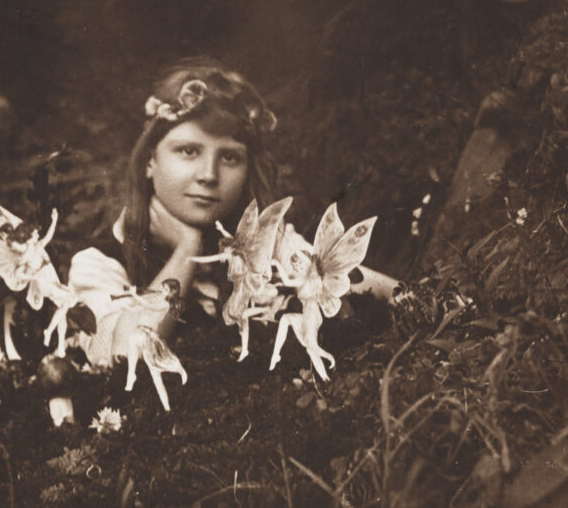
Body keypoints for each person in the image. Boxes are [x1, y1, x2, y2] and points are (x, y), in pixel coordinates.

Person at [66, 58, 398, 368]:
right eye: (188, 151)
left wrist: (411, 296)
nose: (209, 175)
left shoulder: (266, 243)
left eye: (229, 158)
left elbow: (366, 285)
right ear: (150, 161)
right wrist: (186, 250)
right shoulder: (99, 262)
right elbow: (126, 357)